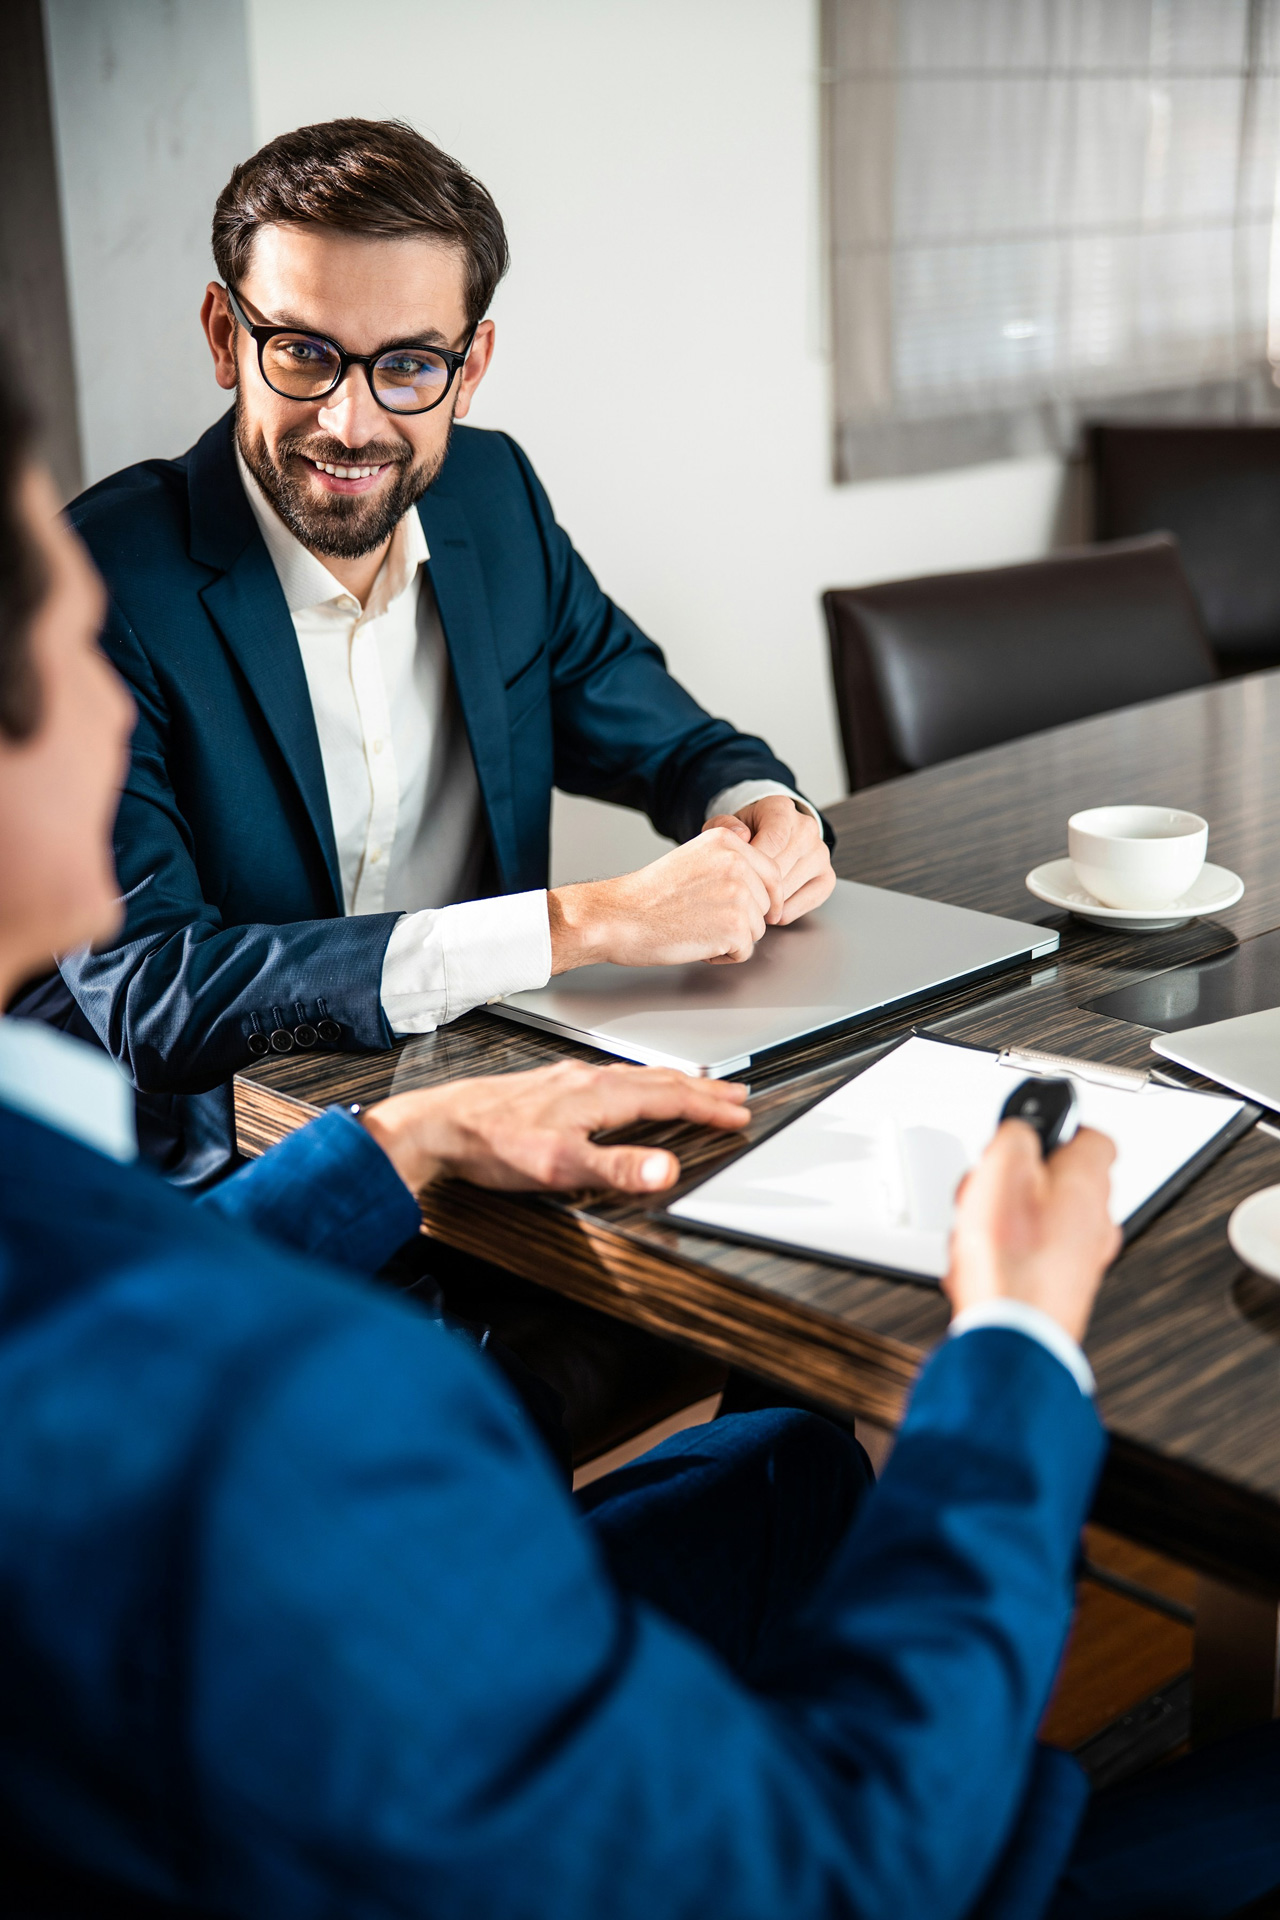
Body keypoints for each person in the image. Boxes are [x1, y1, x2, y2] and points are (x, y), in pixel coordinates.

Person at [2, 376, 1279, 1920]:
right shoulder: (308, 1409)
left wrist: (394, 1144)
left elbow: (100, 1309)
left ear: (468, 359)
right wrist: (1008, 1340)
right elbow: (844, 1874)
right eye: (74, 649)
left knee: (798, 1460)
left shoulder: (59, 1215)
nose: (124, 701)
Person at [43, 117, 836, 1190]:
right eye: (305, 353)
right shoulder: (99, 581)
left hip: (497, 1098)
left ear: (471, 369)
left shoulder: (492, 496)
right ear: (225, 337)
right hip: (225, 1176)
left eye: (408, 365)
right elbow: (155, 996)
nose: (350, 421)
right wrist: (587, 921)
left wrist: (762, 811)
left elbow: (665, 733)